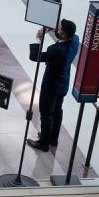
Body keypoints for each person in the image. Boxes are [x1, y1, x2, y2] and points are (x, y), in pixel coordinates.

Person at [26, 18, 79, 151]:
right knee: (57, 110)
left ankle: (44, 142)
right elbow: (66, 35)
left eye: (59, 28)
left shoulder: (57, 50)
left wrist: (39, 38)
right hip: (63, 83)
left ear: (64, 33)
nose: (57, 28)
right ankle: (52, 138)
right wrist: (50, 29)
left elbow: (34, 56)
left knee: (46, 113)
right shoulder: (74, 41)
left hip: (51, 86)